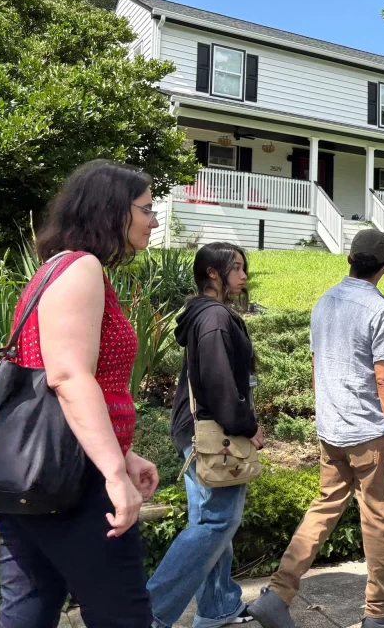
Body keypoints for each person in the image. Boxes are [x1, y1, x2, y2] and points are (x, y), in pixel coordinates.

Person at [0, 160, 159, 627]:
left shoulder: (55, 269)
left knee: (31, 605)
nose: (153, 220)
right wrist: (112, 472)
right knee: (122, 613)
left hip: (32, 468)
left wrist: (125, 456)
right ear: (112, 211)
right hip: (74, 477)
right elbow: (68, 376)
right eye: (146, 209)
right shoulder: (80, 268)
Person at [249, 230, 384, 628]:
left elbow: (316, 368)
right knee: (382, 520)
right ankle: (381, 613)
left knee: (324, 508)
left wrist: (325, 417)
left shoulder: (324, 302)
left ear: (349, 260)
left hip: (332, 429)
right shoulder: (382, 311)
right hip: (369, 435)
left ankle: (278, 593)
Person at [148, 243, 263, 628]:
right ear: (213, 273)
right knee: (218, 523)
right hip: (215, 431)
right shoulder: (214, 317)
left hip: (198, 428)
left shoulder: (204, 313)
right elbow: (218, 382)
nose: (244, 275)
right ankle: (148, 613)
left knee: (209, 522)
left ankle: (216, 606)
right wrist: (246, 424)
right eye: (236, 267)